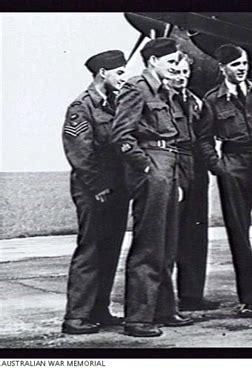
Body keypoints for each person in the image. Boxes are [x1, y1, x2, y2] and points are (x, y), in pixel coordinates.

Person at [112, 38, 193, 338]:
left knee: (168, 242)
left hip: (169, 165)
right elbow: (121, 135)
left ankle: (163, 309)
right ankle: (138, 318)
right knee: (149, 244)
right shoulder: (136, 88)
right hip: (153, 164)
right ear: (153, 61)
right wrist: (145, 167)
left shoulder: (167, 90)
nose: (175, 67)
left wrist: (176, 176)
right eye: (170, 62)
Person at [195, 44, 252, 315]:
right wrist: (218, 167)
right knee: (239, 236)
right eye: (235, 64)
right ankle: (249, 299)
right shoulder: (212, 99)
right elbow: (204, 139)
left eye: (244, 63)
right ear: (222, 68)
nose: (242, 68)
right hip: (234, 165)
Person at [61, 50, 129, 335]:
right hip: (93, 188)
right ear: (103, 73)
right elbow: (79, 151)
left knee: (110, 248)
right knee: (90, 250)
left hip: (116, 186)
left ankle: (99, 309)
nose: (123, 78)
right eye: (120, 73)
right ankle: (75, 317)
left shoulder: (115, 104)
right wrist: (98, 186)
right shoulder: (81, 106)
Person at [166, 54, 220, 311]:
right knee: (167, 235)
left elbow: (206, 137)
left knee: (196, 233)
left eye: (185, 72)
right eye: (176, 72)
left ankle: (191, 295)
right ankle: (163, 300)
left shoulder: (197, 103)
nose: (181, 77)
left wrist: (216, 167)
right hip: (172, 165)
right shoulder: (160, 101)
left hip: (196, 169)